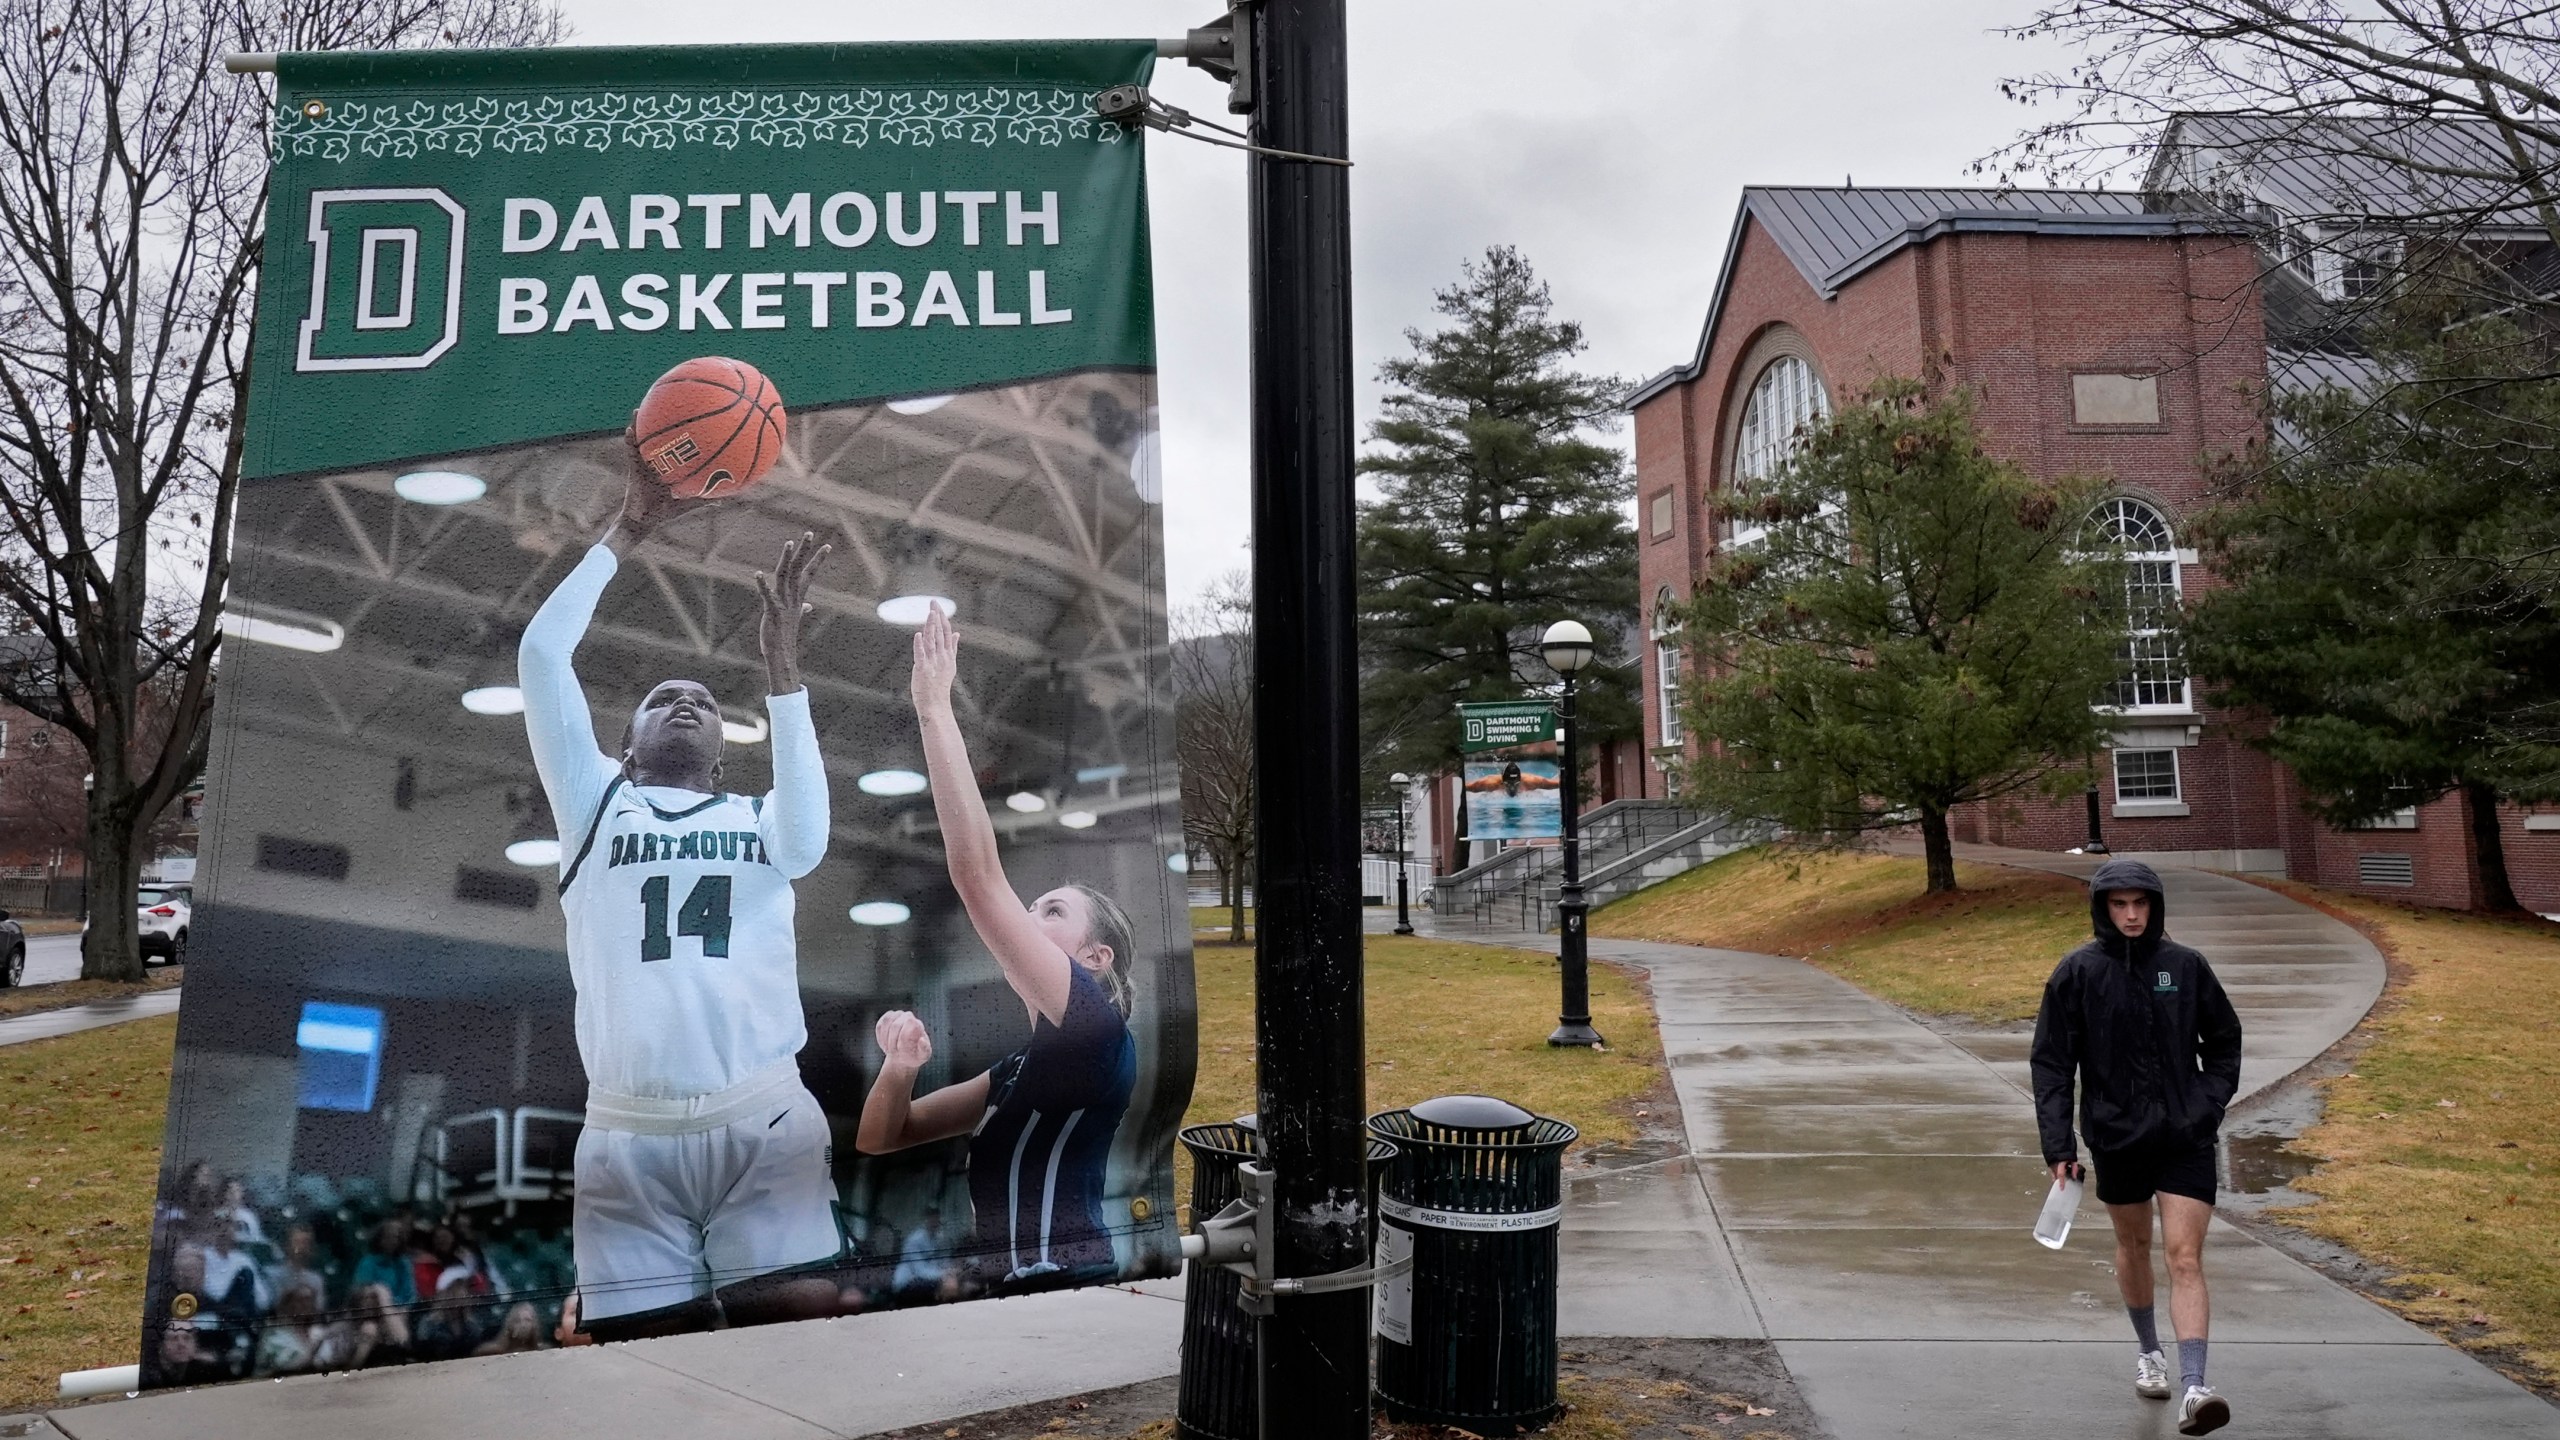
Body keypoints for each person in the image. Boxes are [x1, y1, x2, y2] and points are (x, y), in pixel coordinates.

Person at [519, 435, 839, 1340]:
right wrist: (624, 530)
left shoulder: (760, 821)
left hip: (763, 1113)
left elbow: (810, 844)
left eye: (701, 697)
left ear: (725, 752)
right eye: (663, 696)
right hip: (626, 1134)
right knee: (640, 1376)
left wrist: (785, 680)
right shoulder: (592, 806)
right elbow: (543, 658)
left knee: (796, 1355)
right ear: (625, 745)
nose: (686, 699)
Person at [856, 604, 1140, 1291]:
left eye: (1051, 910)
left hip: (1068, 1288)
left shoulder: (1095, 1032)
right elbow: (880, 1137)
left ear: (1094, 958)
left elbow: (977, 876)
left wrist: (934, 709)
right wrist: (899, 1067)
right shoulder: (1017, 1068)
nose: (1027, 916)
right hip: (1008, 1296)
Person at [2031, 859, 2243, 1437]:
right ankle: (2151, 1353)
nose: (2130, 914)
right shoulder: (2078, 972)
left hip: (2185, 1137)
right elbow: (2052, 1064)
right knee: (2134, 1244)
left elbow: (2224, 1042)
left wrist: (2205, 1106)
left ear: (2155, 906)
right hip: (2116, 1135)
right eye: (2119, 904)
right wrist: (2060, 1144)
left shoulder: (2185, 966)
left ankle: (2197, 1387)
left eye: (2140, 903)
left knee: (2184, 1256)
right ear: (2102, 908)